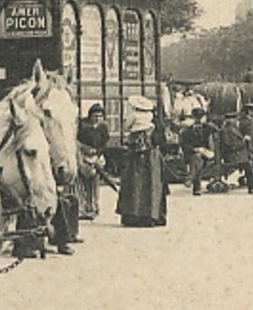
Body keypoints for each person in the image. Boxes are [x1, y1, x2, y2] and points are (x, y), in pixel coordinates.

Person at [117, 97, 168, 228]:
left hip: (136, 153)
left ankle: (133, 214)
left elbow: (126, 127)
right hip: (152, 154)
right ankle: (152, 214)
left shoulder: (133, 116)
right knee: (152, 182)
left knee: (135, 182)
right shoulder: (151, 118)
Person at [76, 104, 110, 219]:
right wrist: (84, 149)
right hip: (83, 156)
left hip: (96, 157)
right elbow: (76, 140)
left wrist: (98, 152)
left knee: (94, 182)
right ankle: (82, 207)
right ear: (90, 116)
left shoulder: (103, 128)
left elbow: (105, 143)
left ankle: (93, 207)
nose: (97, 118)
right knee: (81, 182)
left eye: (100, 116)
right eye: (95, 116)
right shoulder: (83, 126)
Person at [179, 106, 218, 196]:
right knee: (197, 158)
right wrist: (195, 149)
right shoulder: (186, 131)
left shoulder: (208, 128)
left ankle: (191, 178)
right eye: (197, 117)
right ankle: (195, 185)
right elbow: (184, 145)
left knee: (198, 159)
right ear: (193, 117)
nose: (199, 119)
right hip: (192, 154)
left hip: (207, 153)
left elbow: (216, 134)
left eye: (201, 117)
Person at [218, 110, 251, 191]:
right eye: (235, 119)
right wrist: (244, 141)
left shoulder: (235, 129)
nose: (236, 121)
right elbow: (229, 146)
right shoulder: (225, 131)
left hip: (239, 154)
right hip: (232, 156)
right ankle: (252, 187)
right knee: (248, 165)